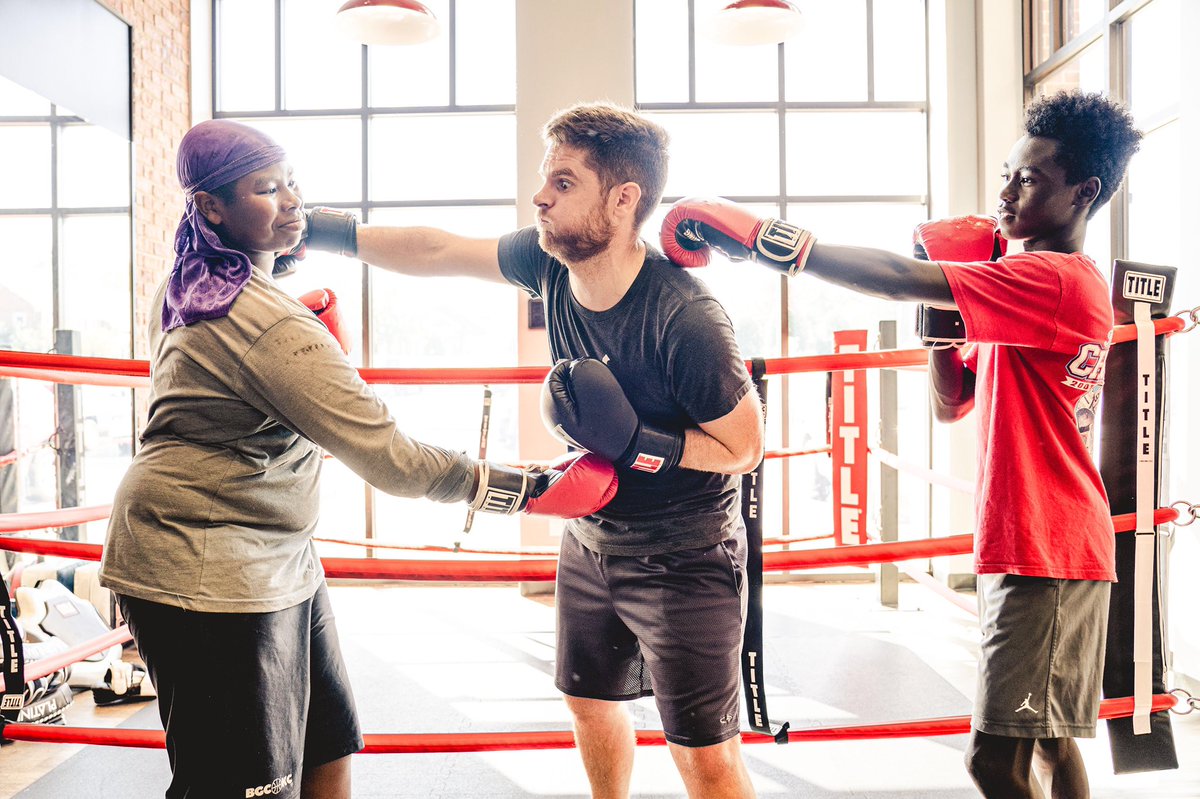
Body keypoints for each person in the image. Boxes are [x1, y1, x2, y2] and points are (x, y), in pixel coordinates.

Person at [98, 119, 618, 799]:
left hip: (280, 557)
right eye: (265, 189)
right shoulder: (268, 324)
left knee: (329, 746)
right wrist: (525, 488)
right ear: (211, 208)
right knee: (244, 789)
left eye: (292, 181)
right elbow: (392, 459)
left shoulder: (190, 281)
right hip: (207, 567)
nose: (291, 200)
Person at [659, 89, 1142, 798]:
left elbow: (890, 278)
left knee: (993, 761)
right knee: (1049, 741)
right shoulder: (1031, 286)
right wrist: (941, 317)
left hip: (1047, 547)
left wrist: (767, 239)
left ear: (1083, 193)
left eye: (1030, 179)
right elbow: (952, 403)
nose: (1006, 192)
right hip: (1038, 540)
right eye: (1007, 174)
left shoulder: (1051, 279)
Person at [294, 102, 764, 798]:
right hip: (591, 539)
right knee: (590, 703)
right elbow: (440, 251)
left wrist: (640, 444)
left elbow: (745, 446)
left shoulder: (684, 318)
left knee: (704, 756)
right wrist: (321, 230)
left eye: (564, 183)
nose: (540, 196)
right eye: (546, 178)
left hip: (685, 555)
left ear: (623, 198)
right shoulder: (546, 262)